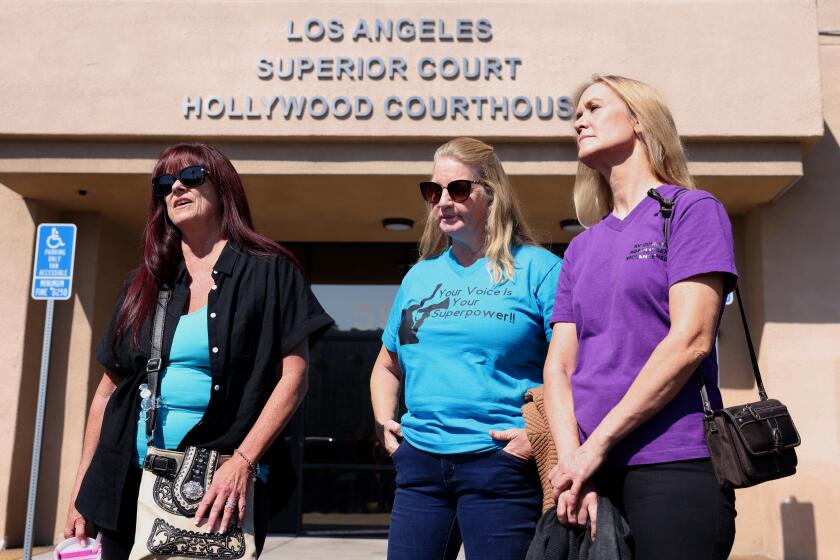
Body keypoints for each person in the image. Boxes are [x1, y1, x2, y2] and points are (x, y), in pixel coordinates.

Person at [63, 143, 334, 559]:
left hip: (214, 486)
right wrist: (83, 484)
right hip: (125, 481)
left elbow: (293, 378)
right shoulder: (145, 283)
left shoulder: (270, 272)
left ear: (222, 185)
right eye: (163, 184)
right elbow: (106, 393)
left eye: (190, 177)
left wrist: (243, 461)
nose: (175, 188)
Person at [544, 75, 738, 559]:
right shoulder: (580, 248)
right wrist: (573, 462)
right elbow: (559, 367)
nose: (578, 120)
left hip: (675, 461)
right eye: (576, 113)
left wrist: (596, 446)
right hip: (591, 472)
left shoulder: (692, 212)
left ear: (638, 120)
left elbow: (690, 340)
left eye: (593, 107)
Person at [370, 137, 562, 560]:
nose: (442, 201)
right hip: (420, 464)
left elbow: (574, 368)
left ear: (491, 194)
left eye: (457, 189)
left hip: (500, 463)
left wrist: (537, 436)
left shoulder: (539, 270)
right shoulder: (421, 278)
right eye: (432, 191)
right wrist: (386, 423)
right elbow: (388, 364)